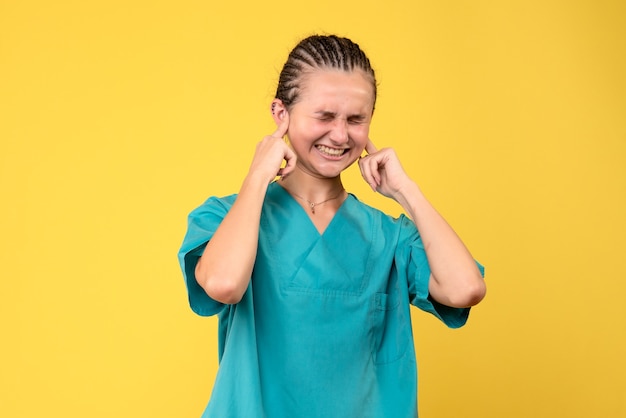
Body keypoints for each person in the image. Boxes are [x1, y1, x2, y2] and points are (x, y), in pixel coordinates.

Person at [178, 34, 486, 418]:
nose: (340, 135)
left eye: (356, 119)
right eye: (324, 116)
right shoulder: (224, 218)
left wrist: (408, 192)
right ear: (281, 114)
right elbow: (224, 284)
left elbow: (466, 288)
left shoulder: (390, 237)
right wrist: (257, 176)